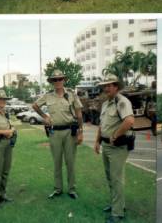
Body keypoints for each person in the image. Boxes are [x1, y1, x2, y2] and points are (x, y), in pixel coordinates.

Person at [32, 69, 84, 200]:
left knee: (70, 162)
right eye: (55, 80)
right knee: (57, 162)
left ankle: (72, 189)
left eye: (60, 79)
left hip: (69, 132)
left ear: (64, 80)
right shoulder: (48, 95)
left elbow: (79, 114)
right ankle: (58, 189)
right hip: (54, 132)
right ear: (52, 82)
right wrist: (45, 116)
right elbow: (35, 105)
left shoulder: (71, 94)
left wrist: (81, 132)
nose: (58, 82)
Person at [94, 74, 135, 223]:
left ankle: (117, 213)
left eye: (109, 85)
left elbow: (129, 121)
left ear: (116, 86)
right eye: (105, 86)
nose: (106, 88)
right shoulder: (106, 103)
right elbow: (102, 124)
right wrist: (97, 141)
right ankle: (116, 204)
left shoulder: (122, 101)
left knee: (116, 179)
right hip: (106, 145)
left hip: (117, 147)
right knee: (110, 177)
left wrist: (115, 135)